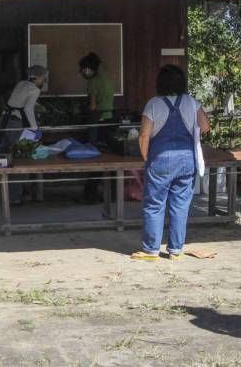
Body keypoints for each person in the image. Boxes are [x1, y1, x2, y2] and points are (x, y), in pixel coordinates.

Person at [132, 65, 211, 261]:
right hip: (187, 161)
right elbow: (205, 127)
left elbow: (144, 135)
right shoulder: (192, 102)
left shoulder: (153, 104)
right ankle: (175, 250)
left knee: (154, 204)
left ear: (160, 83)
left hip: (160, 160)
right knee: (180, 205)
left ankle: (151, 250)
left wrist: (145, 157)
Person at [0, 65, 47, 205]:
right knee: (19, 158)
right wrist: (35, 128)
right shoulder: (35, 89)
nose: (44, 81)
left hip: (2, 121)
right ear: (39, 77)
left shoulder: (21, 83)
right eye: (43, 78)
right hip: (14, 124)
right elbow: (28, 109)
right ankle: (14, 198)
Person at [79, 52, 115, 204]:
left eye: (82, 69)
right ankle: (113, 193)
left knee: (95, 157)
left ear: (88, 69)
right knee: (110, 157)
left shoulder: (93, 82)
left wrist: (83, 110)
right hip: (110, 120)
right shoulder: (107, 80)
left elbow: (93, 106)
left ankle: (90, 193)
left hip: (98, 122)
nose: (81, 72)